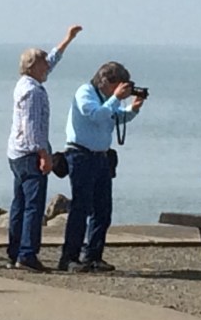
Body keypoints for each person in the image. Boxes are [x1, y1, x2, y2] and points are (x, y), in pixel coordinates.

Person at [6, 24, 83, 272]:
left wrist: (67, 40)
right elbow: (32, 126)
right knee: (32, 205)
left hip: (16, 153)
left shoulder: (24, 83)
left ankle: (15, 251)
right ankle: (26, 254)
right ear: (32, 67)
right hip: (29, 154)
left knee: (19, 203)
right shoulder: (33, 92)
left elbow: (51, 60)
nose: (46, 67)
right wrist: (43, 154)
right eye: (42, 65)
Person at [58, 61, 145, 272]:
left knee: (102, 209)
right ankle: (69, 258)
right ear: (105, 81)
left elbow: (113, 117)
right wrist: (116, 98)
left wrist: (133, 109)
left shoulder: (107, 99)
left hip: (101, 157)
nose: (120, 89)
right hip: (80, 155)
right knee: (80, 208)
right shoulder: (85, 92)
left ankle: (93, 256)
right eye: (118, 84)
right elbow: (96, 115)